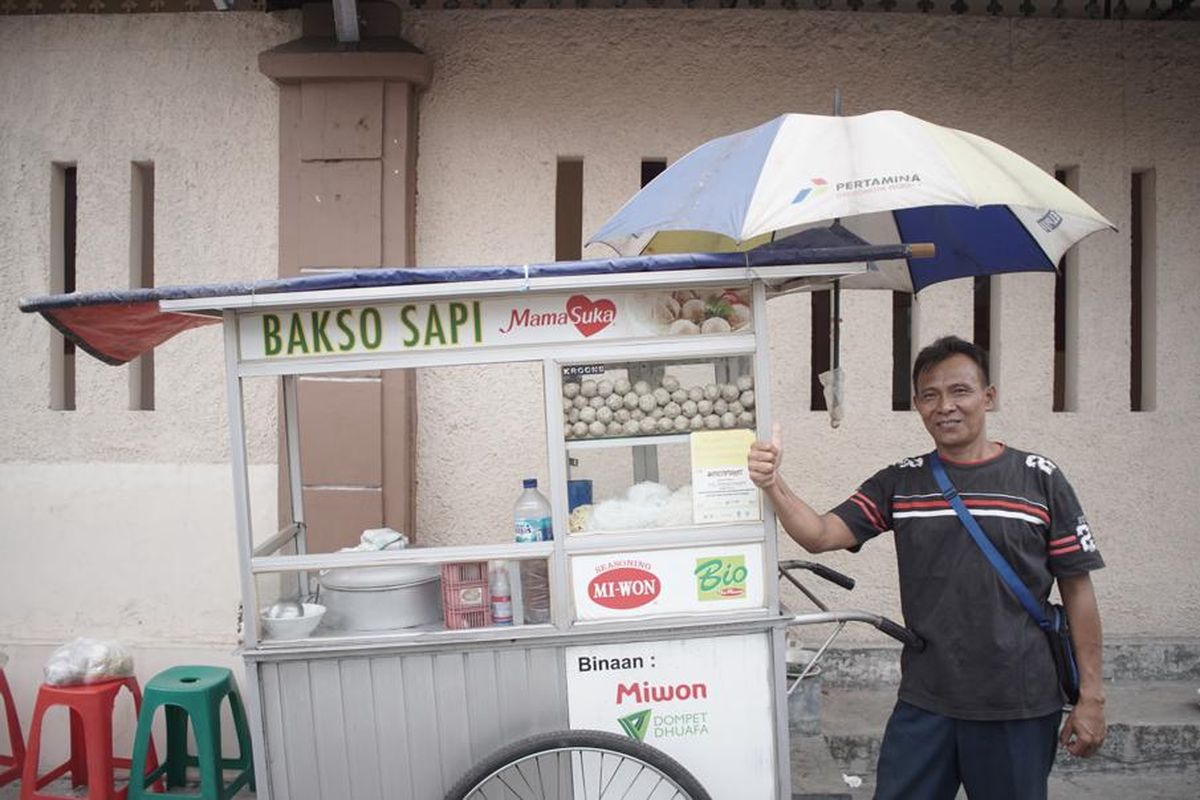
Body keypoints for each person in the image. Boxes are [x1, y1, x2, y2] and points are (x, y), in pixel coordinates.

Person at [749, 335, 1105, 800]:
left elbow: (1078, 591)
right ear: (917, 404)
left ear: (988, 397)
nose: (946, 406)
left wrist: (1092, 696)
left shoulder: (1038, 478)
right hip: (927, 700)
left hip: (1017, 702)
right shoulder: (902, 482)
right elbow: (819, 534)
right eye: (930, 395)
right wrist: (773, 483)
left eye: (960, 391)